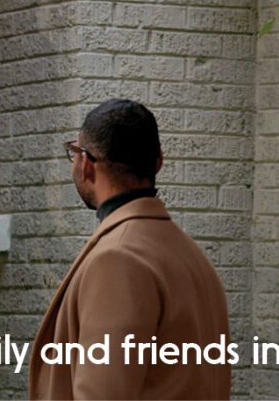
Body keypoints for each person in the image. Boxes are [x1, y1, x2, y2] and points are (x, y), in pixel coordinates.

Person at [28, 99, 232, 399]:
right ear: (159, 161)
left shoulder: (118, 259)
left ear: (85, 163)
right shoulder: (191, 255)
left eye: (74, 153)